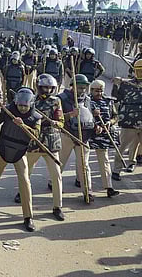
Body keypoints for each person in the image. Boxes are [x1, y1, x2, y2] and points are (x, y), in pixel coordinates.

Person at [0, 88, 41, 232]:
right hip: (2, 148)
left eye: (25, 106)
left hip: (20, 152)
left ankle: (28, 217)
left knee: (25, 181)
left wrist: (23, 125)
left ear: (31, 104)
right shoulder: (9, 110)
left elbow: (35, 136)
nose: (22, 108)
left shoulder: (36, 117)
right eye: (20, 105)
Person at [15, 74, 65, 221]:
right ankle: (21, 192)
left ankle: (57, 206)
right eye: (45, 87)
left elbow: (61, 121)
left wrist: (57, 124)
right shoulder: (31, 99)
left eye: (50, 87)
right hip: (33, 141)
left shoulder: (56, 101)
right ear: (39, 86)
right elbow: (23, 115)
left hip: (51, 142)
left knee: (56, 175)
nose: (48, 90)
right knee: (26, 174)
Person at [57, 74, 100, 202]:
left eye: (84, 87)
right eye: (79, 87)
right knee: (60, 162)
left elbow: (89, 117)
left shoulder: (87, 100)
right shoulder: (61, 99)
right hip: (67, 135)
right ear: (72, 86)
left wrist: (96, 125)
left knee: (84, 165)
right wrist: (70, 114)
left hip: (84, 137)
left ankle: (87, 191)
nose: (81, 90)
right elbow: (55, 118)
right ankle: (53, 182)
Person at [88, 80, 120, 197]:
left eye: (101, 90)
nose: (99, 93)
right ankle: (85, 187)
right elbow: (83, 117)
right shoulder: (86, 101)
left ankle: (109, 187)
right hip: (89, 135)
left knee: (105, 160)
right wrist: (94, 124)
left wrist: (109, 123)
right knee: (83, 162)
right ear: (91, 90)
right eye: (97, 91)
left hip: (104, 135)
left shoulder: (108, 101)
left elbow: (115, 117)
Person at [111, 60, 142, 180]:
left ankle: (132, 162)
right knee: (123, 146)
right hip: (129, 120)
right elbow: (115, 97)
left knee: (136, 146)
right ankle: (116, 170)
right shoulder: (126, 85)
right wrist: (116, 84)